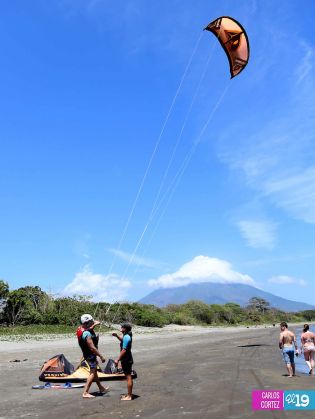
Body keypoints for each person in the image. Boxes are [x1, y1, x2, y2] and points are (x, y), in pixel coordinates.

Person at [77, 314, 108, 398]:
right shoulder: (86, 334)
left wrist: (94, 325)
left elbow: (88, 328)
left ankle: (101, 388)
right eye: (91, 322)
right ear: (86, 323)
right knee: (92, 373)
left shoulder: (81, 328)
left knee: (94, 372)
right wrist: (101, 356)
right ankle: (85, 392)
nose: (92, 323)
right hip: (90, 355)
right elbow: (92, 347)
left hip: (87, 354)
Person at [112, 322, 134, 401]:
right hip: (127, 358)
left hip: (127, 359)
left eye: (122, 327)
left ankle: (129, 396)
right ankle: (129, 394)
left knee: (128, 377)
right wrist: (117, 336)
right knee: (127, 376)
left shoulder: (127, 336)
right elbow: (122, 341)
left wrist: (118, 359)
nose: (120, 329)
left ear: (125, 329)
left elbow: (124, 350)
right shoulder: (126, 336)